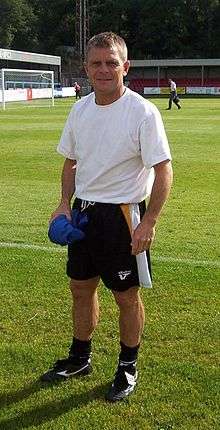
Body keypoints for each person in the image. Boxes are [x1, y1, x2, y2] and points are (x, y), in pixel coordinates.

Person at [41, 32, 173, 402]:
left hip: (123, 215)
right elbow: (71, 161)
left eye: (111, 62)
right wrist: (64, 203)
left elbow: (163, 170)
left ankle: (127, 366)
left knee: (126, 296)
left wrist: (149, 222)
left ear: (125, 67)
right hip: (83, 213)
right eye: (96, 63)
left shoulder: (142, 112)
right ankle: (80, 358)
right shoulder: (80, 109)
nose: (103, 69)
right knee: (80, 288)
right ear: (86, 68)